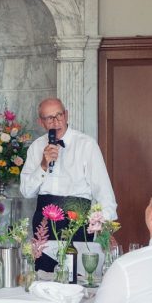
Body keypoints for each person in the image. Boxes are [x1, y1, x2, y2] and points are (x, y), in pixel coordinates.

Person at [19, 98, 117, 271]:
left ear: (66, 115)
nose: (56, 122)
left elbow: (104, 191)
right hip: (44, 223)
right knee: (44, 275)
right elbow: (26, 191)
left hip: (77, 220)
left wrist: (106, 228)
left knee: (77, 275)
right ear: (41, 122)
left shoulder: (87, 145)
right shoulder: (35, 147)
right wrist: (43, 165)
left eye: (59, 115)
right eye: (49, 118)